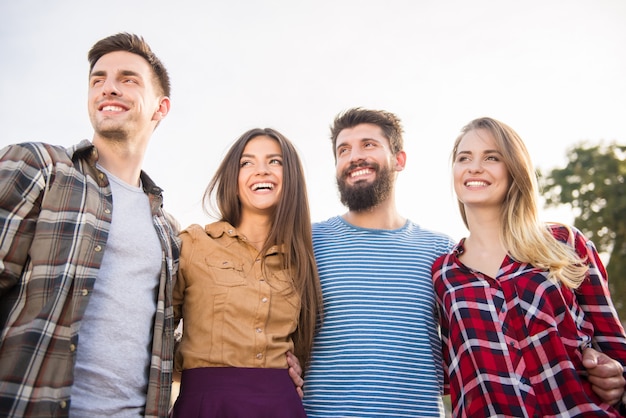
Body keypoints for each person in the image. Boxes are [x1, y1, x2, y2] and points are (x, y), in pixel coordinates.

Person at [302, 107, 626, 417]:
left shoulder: (442, 253)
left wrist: (608, 369)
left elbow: (613, 346)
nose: (354, 155)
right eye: (342, 149)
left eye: (368, 144)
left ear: (399, 159)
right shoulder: (308, 242)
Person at [0, 33, 180, 417]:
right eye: (97, 80)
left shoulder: (167, 231)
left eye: (128, 79)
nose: (108, 88)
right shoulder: (40, 167)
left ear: (160, 107)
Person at [432, 116, 626, 417]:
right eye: (463, 158)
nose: (474, 167)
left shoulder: (563, 242)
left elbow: (615, 348)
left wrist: (615, 377)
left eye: (491, 157)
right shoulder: (444, 274)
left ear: (513, 169)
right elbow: (449, 374)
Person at [171, 128, 322, 417]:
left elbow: (301, 346)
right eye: (247, 162)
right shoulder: (193, 245)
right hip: (206, 406)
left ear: (290, 178)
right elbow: (158, 334)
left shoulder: (301, 260)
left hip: (282, 405)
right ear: (233, 176)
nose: (261, 171)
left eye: (275, 161)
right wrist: (189, 363)